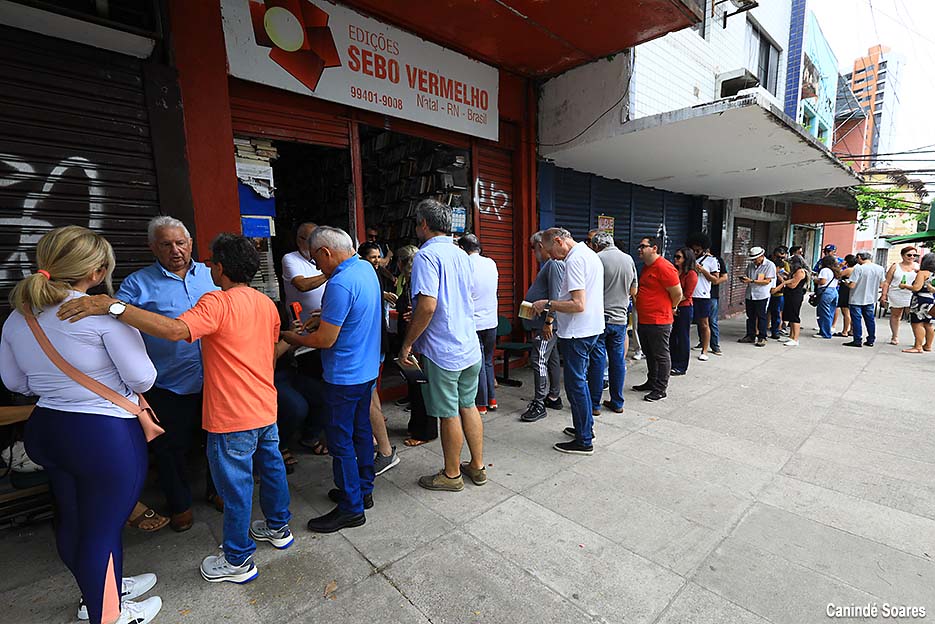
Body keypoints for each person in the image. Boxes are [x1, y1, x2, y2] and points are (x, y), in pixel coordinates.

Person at [58, 233, 293, 585]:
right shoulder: (265, 304)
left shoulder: (217, 302)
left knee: (235, 486)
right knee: (271, 469)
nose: (208, 267)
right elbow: (268, 349)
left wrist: (112, 306)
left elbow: (173, 330)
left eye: (211, 262)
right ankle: (279, 528)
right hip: (264, 404)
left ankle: (238, 559)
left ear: (221, 267)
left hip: (232, 414)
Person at [1, 226, 163, 624]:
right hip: (104, 436)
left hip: (49, 430)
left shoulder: (17, 319)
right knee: (102, 529)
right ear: (96, 270)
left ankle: (101, 590)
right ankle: (108, 614)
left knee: (74, 518)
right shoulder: (103, 315)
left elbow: (14, 383)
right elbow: (143, 379)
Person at [115, 216, 220, 532]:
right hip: (168, 383)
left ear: (191, 243)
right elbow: (116, 329)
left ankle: (217, 491)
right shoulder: (137, 285)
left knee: (217, 439)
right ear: (153, 248)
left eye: (181, 243)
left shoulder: (211, 275)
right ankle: (180, 505)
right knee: (170, 449)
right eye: (166, 244)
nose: (176, 250)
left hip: (215, 379)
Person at [283, 227, 382, 531]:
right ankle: (363, 490)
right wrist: (322, 317)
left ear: (326, 252)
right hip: (366, 371)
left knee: (340, 441)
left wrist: (292, 337)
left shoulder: (339, 282)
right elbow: (352, 316)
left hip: (344, 376)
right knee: (361, 431)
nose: (317, 267)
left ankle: (351, 507)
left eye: (316, 259)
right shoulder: (365, 268)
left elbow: (325, 340)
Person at [399, 199, 486, 491]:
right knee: (468, 405)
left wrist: (407, 343)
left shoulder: (426, 256)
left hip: (444, 349)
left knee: (449, 412)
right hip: (468, 343)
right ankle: (476, 465)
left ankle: (451, 475)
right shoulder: (462, 254)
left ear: (423, 224)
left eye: (416, 224)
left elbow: (428, 305)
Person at [532, 227, 605, 453]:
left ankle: (584, 440)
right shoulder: (589, 254)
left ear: (558, 241)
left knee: (575, 386)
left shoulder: (574, 260)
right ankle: (585, 427)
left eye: (549, 250)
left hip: (577, 332)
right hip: (591, 328)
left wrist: (547, 305)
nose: (550, 257)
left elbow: (577, 304)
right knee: (580, 382)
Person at [357, 242, 401, 477]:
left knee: (370, 396)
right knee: (371, 396)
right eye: (372, 256)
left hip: (373, 347)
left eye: (378, 256)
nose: (376, 260)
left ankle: (383, 450)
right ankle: (378, 445)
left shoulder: (372, 278)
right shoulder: (368, 278)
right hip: (372, 346)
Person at [393, 245, 438, 446]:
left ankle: (424, 432)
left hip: (417, 341)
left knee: (420, 388)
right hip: (416, 339)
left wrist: (408, 343)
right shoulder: (412, 281)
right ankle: (418, 427)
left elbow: (426, 310)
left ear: (402, 263)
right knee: (416, 387)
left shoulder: (415, 283)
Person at [588, 231, 637, 414]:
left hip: (600, 319)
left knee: (597, 361)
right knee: (617, 361)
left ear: (596, 245)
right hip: (620, 319)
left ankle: (594, 405)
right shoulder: (628, 259)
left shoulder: (597, 259)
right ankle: (617, 402)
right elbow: (634, 290)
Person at [520, 231, 565, 422]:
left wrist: (549, 322)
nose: (534, 252)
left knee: (538, 359)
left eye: (533, 248)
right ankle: (553, 396)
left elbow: (555, 297)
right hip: (546, 323)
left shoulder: (554, 264)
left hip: (546, 325)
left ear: (541, 246)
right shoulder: (551, 265)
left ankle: (539, 403)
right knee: (552, 358)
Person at [632, 236, 682, 402]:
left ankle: (661, 389)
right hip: (645, 318)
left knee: (661, 354)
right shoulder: (647, 267)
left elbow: (677, 293)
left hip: (659, 320)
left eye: (643, 246)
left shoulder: (664, 267)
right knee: (649, 353)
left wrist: (672, 307)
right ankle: (652, 381)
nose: (639, 249)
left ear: (654, 248)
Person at [457, 234, 500, 415]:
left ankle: (480, 403)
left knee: (478, 363)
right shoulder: (491, 263)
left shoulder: (465, 265)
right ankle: (492, 399)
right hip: (492, 321)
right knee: (487, 361)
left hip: (474, 323)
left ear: (462, 249)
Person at [282, 222, 327, 324]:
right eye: (312, 241)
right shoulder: (290, 259)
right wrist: (329, 273)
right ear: (299, 240)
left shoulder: (323, 258)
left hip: (324, 321)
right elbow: (302, 285)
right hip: (302, 324)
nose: (316, 245)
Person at [686, 233, 720, 359]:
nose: (695, 252)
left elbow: (715, 280)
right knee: (685, 323)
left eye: (698, 250)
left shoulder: (711, 261)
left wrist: (703, 270)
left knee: (704, 324)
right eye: (693, 249)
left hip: (703, 296)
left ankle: (705, 350)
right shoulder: (687, 258)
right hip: (687, 295)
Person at [843, 251, 886, 348]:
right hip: (871, 298)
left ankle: (857, 340)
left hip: (856, 298)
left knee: (857, 319)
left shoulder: (858, 268)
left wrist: (846, 283)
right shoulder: (879, 268)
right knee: (870, 319)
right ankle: (871, 339)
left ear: (859, 257)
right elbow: (882, 283)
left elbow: (852, 285)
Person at [880, 246, 920, 345]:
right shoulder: (895, 266)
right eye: (909, 255)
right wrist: (884, 295)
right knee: (896, 315)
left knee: (914, 316)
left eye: (914, 255)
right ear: (902, 255)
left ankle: (917, 339)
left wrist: (918, 272)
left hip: (911, 293)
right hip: (896, 293)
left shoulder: (917, 266)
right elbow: (887, 282)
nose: (912, 257)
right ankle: (895, 336)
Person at [739, 246, 776, 347]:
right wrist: (745, 279)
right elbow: (747, 275)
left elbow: (767, 281)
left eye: (756, 259)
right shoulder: (751, 265)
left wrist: (752, 281)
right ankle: (750, 335)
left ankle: (762, 337)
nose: (754, 261)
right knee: (750, 316)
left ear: (761, 256)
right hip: (750, 293)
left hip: (761, 294)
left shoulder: (769, 265)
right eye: (753, 259)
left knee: (761, 316)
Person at [899, 252, 935, 353]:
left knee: (917, 323)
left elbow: (916, 287)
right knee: (928, 324)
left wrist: (904, 286)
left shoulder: (922, 273)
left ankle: (918, 346)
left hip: (920, 300)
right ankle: (928, 345)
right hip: (931, 300)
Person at [670, 247, 697, 375]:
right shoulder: (674, 271)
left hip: (684, 307)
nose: (676, 259)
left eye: (679, 257)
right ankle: (673, 362)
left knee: (682, 336)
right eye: (675, 256)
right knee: (672, 336)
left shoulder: (691, 274)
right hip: (673, 306)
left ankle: (681, 365)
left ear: (686, 259)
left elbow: (687, 294)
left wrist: (673, 303)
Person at [776, 254, 808, 346]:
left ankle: (795, 338)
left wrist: (784, 282)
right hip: (790, 295)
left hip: (795, 295)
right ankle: (791, 336)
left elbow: (793, 285)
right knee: (790, 316)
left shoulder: (800, 272)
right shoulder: (794, 271)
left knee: (794, 317)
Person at [814, 255, 841, 339]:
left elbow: (823, 281)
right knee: (830, 312)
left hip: (826, 292)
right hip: (834, 291)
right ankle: (827, 329)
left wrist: (815, 279)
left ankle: (825, 333)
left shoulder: (825, 270)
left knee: (823, 312)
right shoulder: (835, 270)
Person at [768, 246, 790, 339]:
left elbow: (788, 277)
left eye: (782, 257)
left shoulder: (784, 265)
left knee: (777, 312)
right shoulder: (768, 264)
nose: (780, 259)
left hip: (778, 292)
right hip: (766, 292)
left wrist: (781, 275)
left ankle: (776, 330)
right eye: (778, 257)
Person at [834, 255, 856, 337]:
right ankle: (851, 330)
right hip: (852, 291)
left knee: (845, 312)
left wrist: (840, 266)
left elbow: (837, 275)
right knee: (851, 312)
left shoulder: (848, 270)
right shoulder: (857, 269)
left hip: (845, 291)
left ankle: (845, 331)